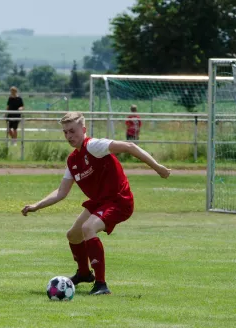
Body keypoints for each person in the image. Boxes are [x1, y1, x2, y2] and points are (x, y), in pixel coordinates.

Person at [21, 112, 170, 295]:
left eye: (73, 131)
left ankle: (101, 285)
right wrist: (37, 205)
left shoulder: (94, 146)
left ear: (83, 130)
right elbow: (61, 192)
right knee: (73, 235)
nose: (69, 136)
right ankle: (84, 273)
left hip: (119, 200)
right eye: (65, 132)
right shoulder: (72, 160)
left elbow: (130, 146)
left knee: (88, 228)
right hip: (99, 202)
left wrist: (158, 168)